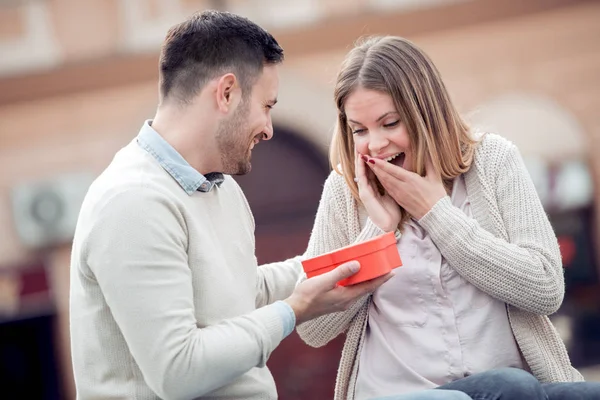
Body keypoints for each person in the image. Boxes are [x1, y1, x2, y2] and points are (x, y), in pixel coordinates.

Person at [68, 11, 397, 400]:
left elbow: (245, 291)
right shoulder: (131, 202)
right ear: (226, 93)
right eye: (267, 106)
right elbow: (179, 371)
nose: (269, 128)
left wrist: (360, 254)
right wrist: (293, 311)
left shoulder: (219, 187)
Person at [296, 36, 600, 400]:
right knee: (510, 386)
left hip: (519, 389)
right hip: (406, 394)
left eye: (389, 123)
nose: (374, 144)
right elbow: (313, 327)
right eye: (359, 130)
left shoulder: (494, 160)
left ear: (427, 114)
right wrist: (379, 233)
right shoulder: (343, 191)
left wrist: (436, 214)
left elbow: (546, 289)